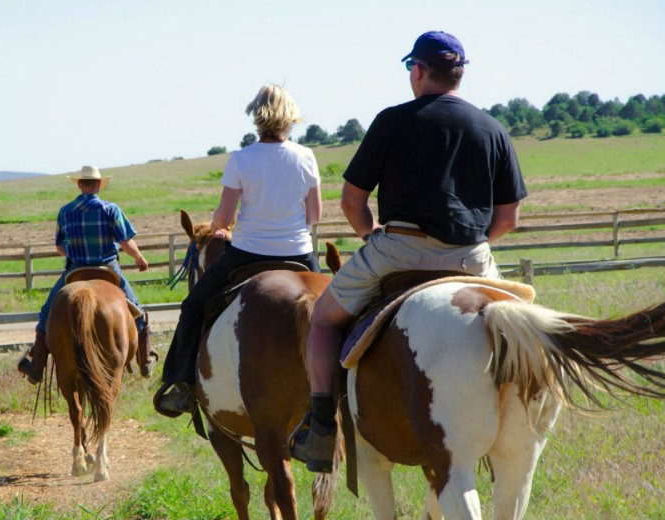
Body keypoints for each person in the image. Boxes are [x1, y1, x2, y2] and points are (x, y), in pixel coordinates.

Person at [291, 30, 528, 473]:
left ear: (417, 71)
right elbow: (508, 218)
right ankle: (519, 421)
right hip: (472, 257)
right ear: (459, 75)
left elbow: (351, 201)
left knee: (323, 318)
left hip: (399, 250)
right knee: (520, 329)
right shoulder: (493, 128)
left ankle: (322, 427)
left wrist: (370, 233)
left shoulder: (392, 120)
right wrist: (470, 244)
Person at [156, 84, 323, 414]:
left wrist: (220, 223)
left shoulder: (241, 159)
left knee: (192, 306)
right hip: (300, 255)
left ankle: (183, 384)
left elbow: (224, 218)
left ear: (255, 117)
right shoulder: (307, 156)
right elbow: (314, 216)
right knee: (331, 315)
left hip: (247, 254)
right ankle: (342, 390)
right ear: (291, 118)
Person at [17, 165, 149, 384]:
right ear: (98, 185)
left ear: (79, 184)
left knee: (47, 313)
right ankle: (144, 360)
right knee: (138, 312)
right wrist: (139, 257)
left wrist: (73, 251)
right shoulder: (111, 209)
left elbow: (59, 246)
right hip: (108, 269)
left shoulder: (65, 211)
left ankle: (37, 365)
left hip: (75, 270)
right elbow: (125, 241)